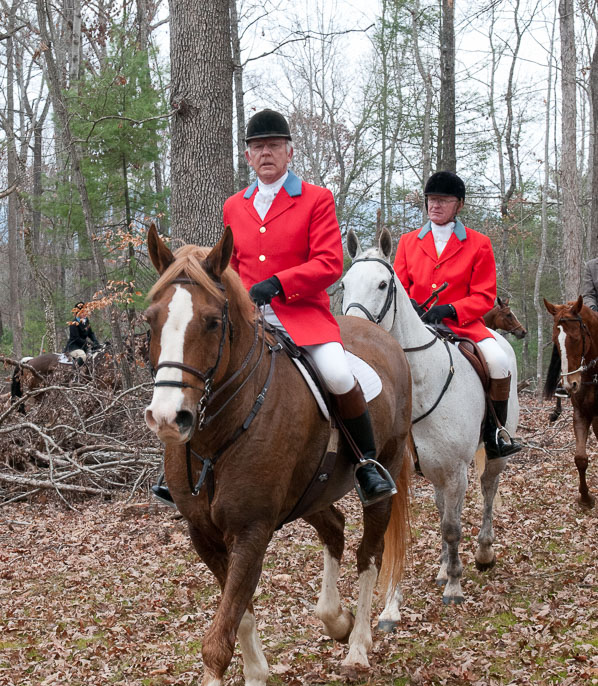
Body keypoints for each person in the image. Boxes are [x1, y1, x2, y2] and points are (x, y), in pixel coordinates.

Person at [151, 109, 395, 508]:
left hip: (304, 316)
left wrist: (279, 284)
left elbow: (330, 262)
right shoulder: (235, 205)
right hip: (247, 317)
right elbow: (232, 263)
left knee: (336, 374)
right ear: (248, 156)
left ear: (289, 152)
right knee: (206, 370)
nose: (266, 153)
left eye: (274, 146)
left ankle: (368, 464)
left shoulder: (316, 198)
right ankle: (177, 467)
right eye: (258, 147)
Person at [393, 170, 520, 459]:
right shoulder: (408, 242)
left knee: (499, 361)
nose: (435, 205)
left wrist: (451, 308)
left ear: (459, 205)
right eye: (431, 200)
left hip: (463, 325)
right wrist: (412, 306)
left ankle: (495, 432)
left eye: (443, 200)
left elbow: (485, 296)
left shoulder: (479, 243)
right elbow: (400, 287)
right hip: (417, 327)